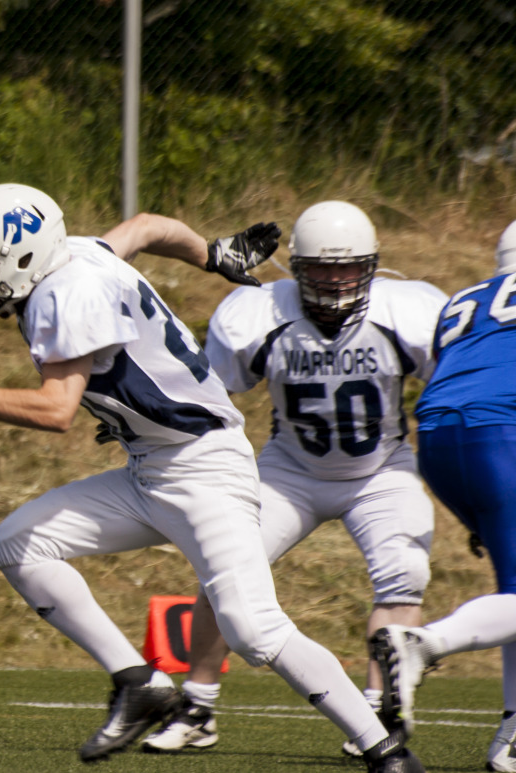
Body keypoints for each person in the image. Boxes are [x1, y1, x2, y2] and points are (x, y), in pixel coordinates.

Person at [0, 183, 422, 771]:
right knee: (20, 541)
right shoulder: (81, 252)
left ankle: (384, 748)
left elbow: (56, 411)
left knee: (253, 629)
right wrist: (212, 254)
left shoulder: (68, 292)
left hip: (205, 470)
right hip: (153, 466)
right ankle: (139, 681)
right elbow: (143, 227)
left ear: (21, 256)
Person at [143, 200, 447, 757]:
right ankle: (199, 706)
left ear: (372, 265)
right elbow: (211, 393)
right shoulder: (257, 311)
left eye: (348, 267)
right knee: (224, 564)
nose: (335, 282)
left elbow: (455, 386)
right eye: (323, 269)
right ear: (299, 269)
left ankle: (381, 714)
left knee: (404, 571)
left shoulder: (408, 309)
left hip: (381, 469)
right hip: (289, 471)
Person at [370, 219, 516, 772]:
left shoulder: (467, 298)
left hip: (437, 436)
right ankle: (423, 644)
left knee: (515, 593)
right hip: (501, 430)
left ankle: (512, 733)